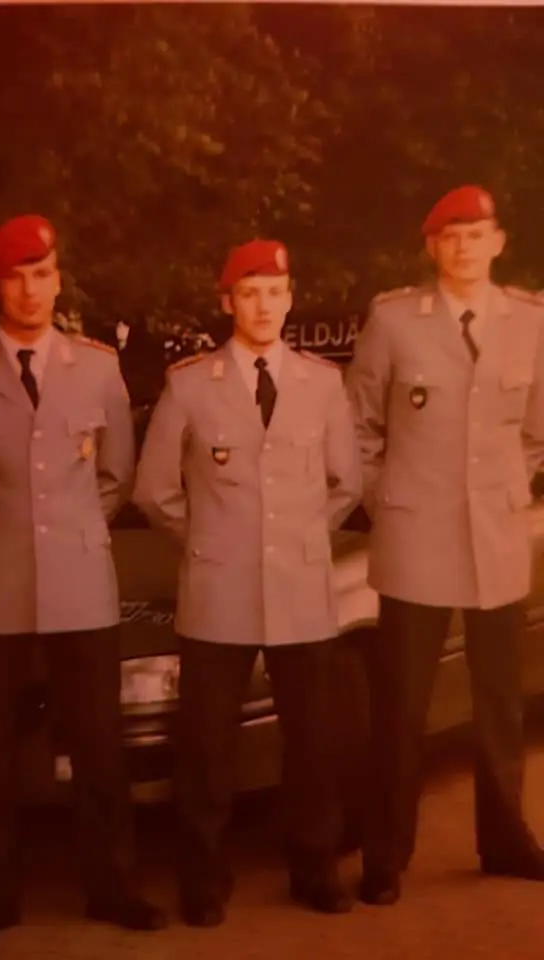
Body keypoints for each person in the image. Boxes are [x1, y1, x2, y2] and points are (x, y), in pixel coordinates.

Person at [0, 214, 166, 947]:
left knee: (98, 745)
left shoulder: (98, 368)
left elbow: (115, 477)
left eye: (43, 274)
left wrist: (70, 535)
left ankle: (113, 887)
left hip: (80, 584)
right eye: (16, 278)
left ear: (58, 282)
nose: (31, 289)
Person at [133, 239, 362, 926]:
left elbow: (346, 482)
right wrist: (210, 543)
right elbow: (153, 491)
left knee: (313, 742)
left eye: (274, 293)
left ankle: (314, 868)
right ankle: (203, 879)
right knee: (206, 747)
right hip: (218, 590)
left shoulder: (323, 383)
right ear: (227, 301)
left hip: (300, 588)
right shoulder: (189, 385)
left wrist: (300, 539)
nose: (263, 306)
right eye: (249, 293)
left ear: (290, 299)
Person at [345, 185, 544, 907]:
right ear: (432, 248)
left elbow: (535, 431)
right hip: (415, 536)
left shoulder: (530, 321)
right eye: (450, 238)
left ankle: (505, 839)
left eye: (476, 235)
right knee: (402, 707)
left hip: (495, 537)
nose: (464, 249)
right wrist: (390, 501)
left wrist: (502, 491)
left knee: (500, 703)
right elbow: (358, 427)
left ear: (498, 243)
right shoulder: (395, 321)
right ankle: (385, 854)